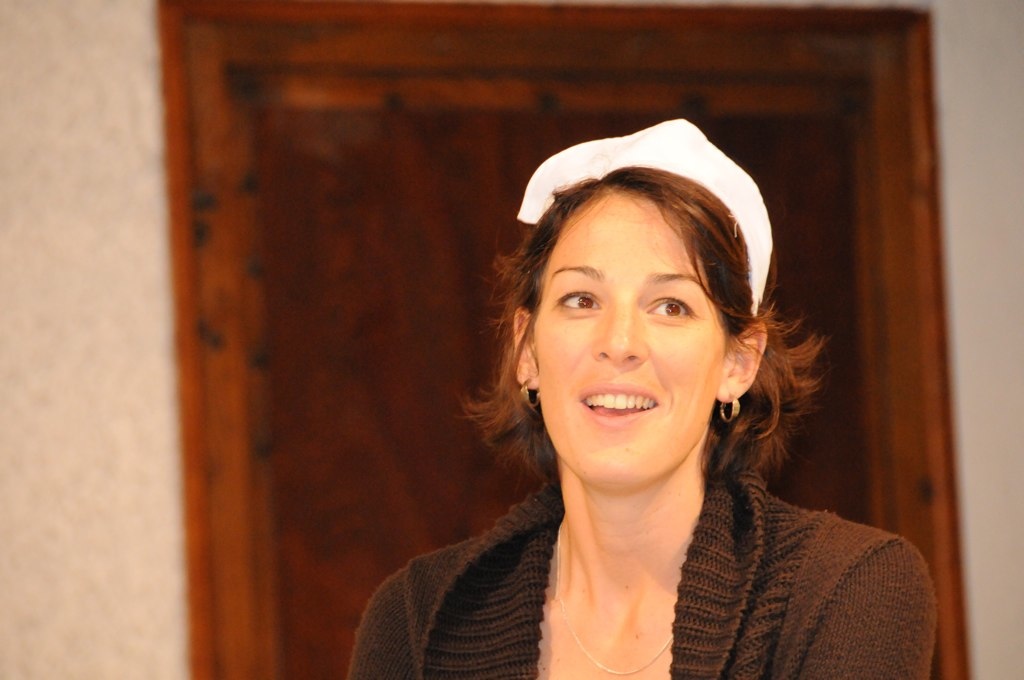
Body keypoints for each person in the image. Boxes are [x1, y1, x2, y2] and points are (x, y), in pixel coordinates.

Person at [347, 120, 936, 678]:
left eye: (671, 306)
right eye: (582, 300)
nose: (620, 343)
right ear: (526, 349)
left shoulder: (846, 592)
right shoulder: (417, 620)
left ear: (738, 363)